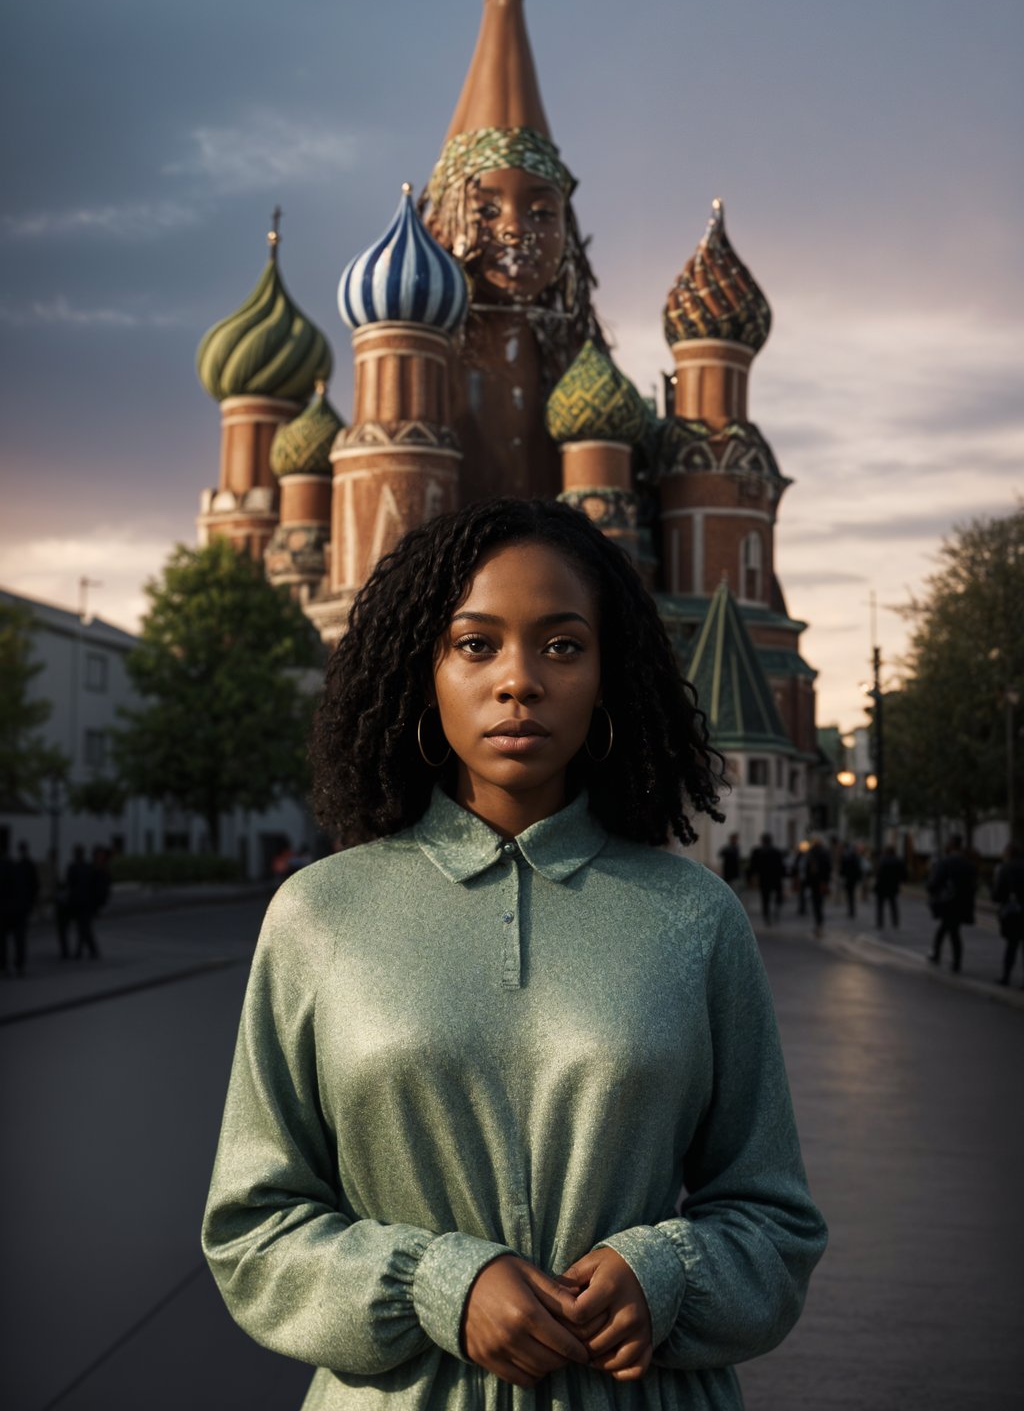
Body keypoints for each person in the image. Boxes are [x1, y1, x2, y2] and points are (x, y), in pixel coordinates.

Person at [202, 498, 826, 1410]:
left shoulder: (695, 916)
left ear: (609, 676)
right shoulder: (319, 914)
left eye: (563, 645)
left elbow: (775, 1222)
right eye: (476, 644)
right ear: (425, 671)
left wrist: (662, 1272)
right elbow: (251, 1228)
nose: (520, 681)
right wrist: (435, 1282)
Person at [927, 834, 976, 974]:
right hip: (962, 903)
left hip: (947, 903)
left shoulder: (946, 862)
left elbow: (934, 883)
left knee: (950, 931)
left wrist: (932, 892)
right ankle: (950, 959)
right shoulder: (968, 863)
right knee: (949, 930)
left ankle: (944, 958)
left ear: (952, 844)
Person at [1, 841, 39, 976]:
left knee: (5, 939)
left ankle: (5, 965)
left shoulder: (6, 865)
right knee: (19, 938)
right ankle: (18, 965)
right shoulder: (27, 865)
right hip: (19, 908)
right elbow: (34, 886)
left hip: (7, 908)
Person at [993, 841, 1024, 987]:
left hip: (1013, 912)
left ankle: (1006, 976)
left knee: (1011, 945)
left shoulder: (1006, 868)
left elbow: (999, 893)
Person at [66, 845, 100, 960]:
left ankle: (85, 950)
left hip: (80, 902)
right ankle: (89, 950)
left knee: (83, 927)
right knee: (84, 927)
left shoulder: (74, 867)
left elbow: (70, 885)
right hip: (85, 902)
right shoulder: (87, 867)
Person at [747, 831, 785, 925]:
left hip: (764, 878)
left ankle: (766, 915)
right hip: (775, 878)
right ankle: (775, 912)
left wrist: (751, 878)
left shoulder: (758, 852)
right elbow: (781, 866)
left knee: (765, 898)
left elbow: (753, 866)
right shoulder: (776, 851)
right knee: (777, 896)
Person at [873, 845, 905, 929]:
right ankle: (895, 922)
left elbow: (878, 873)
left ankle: (880, 922)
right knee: (893, 905)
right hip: (893, 886)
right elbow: (902, 874)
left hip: (882, 886)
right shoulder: (898, 861)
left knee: (880, 906)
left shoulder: (882, 860)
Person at [806, 838, 831, 938]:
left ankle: (819, 922)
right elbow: (827, 868)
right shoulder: (822, 854)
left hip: (815, 881)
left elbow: (808, 868)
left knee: (817, 902)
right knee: (818, 902)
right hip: (819, 881)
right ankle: (819, 922)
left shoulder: (812, 854)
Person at [839, 842, 861, 918]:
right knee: (851, 895)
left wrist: (842, 875)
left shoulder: (846, 856)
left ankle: (851, 910)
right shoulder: (854, 857)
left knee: (849, 895)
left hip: (849, 878)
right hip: (852, 878)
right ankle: (851, 910)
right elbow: (858, 868)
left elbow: (843, 868)